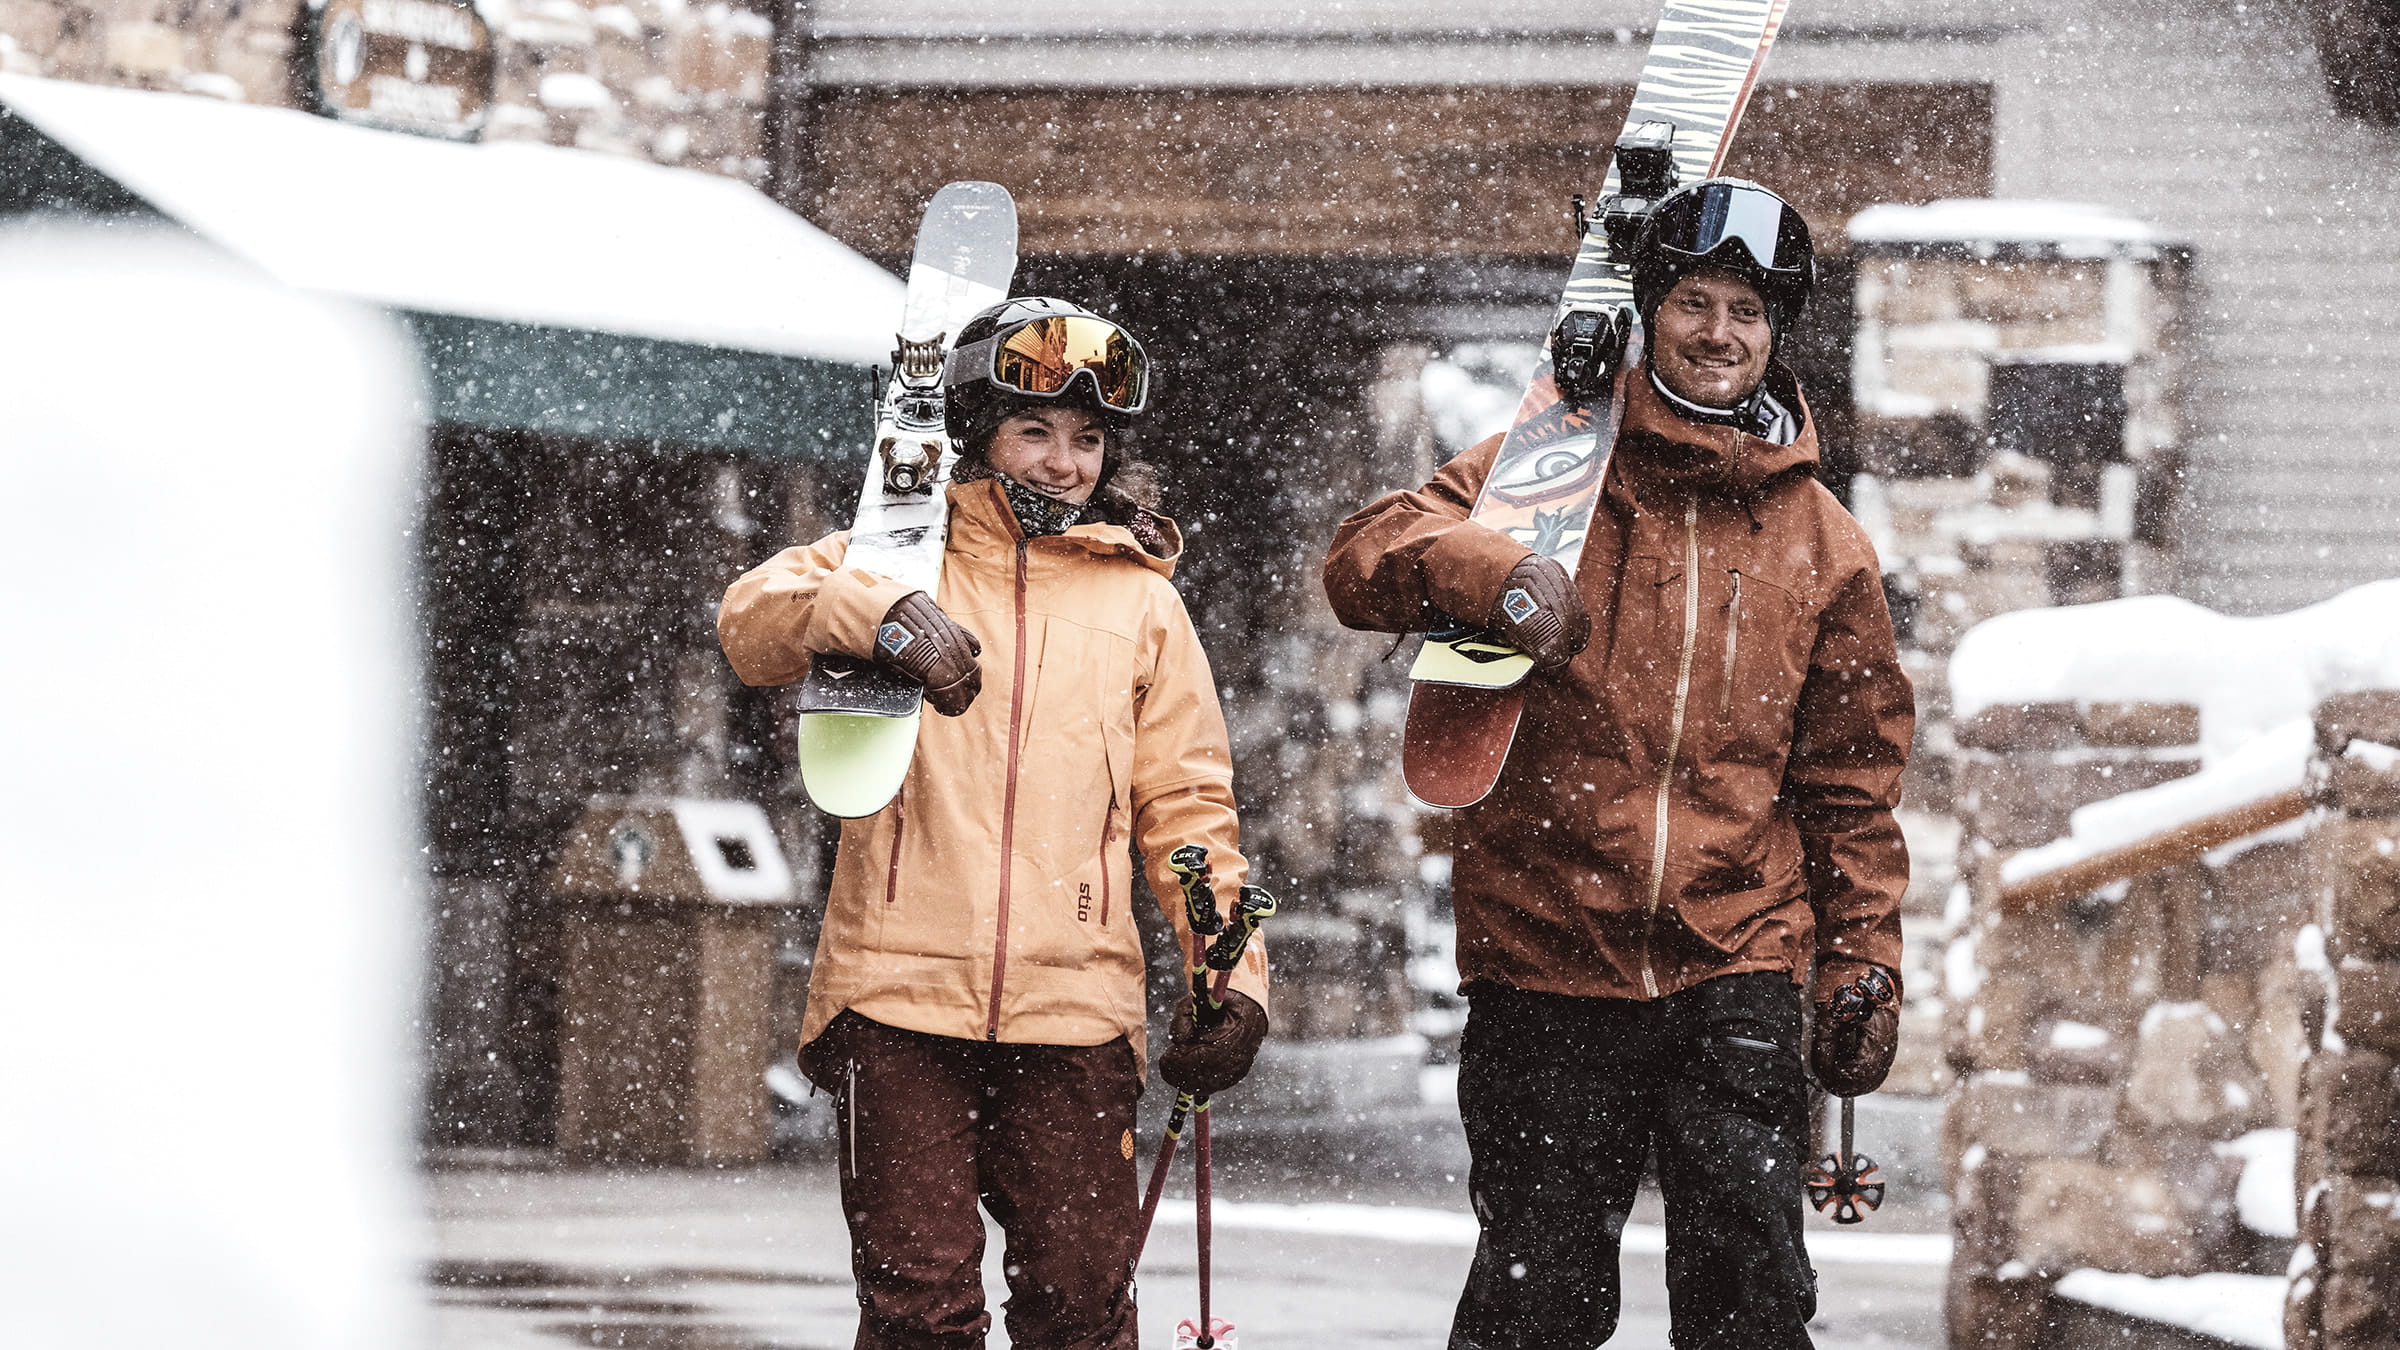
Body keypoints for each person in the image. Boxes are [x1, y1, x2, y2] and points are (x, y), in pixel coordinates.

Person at [1321, 179, 1913, 1348]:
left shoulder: (1823, 544)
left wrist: (1864, 959)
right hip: (1549, 951)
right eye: (1695, 302)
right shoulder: (1549, 475)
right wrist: (1487, 572)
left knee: (1749, 1299)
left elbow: (1853, 781)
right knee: (1536, 1299)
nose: (1720, 333)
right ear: (1653, 311)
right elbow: (1362, 560)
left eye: (1748, 310)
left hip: (1736, 955)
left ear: (1777, 330)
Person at [718, 297, 1270, 1350]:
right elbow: (752, 621)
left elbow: (1191, 815)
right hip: (895, 999)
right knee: (920, 1310)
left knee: (1078, 1308)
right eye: (1036, 430)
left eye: (1089, 439)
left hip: (1074, 1014)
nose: (1065, 462)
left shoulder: (1142, 603)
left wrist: (1229, 977)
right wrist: (874, 615)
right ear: (978, 432)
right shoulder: (893, 558)